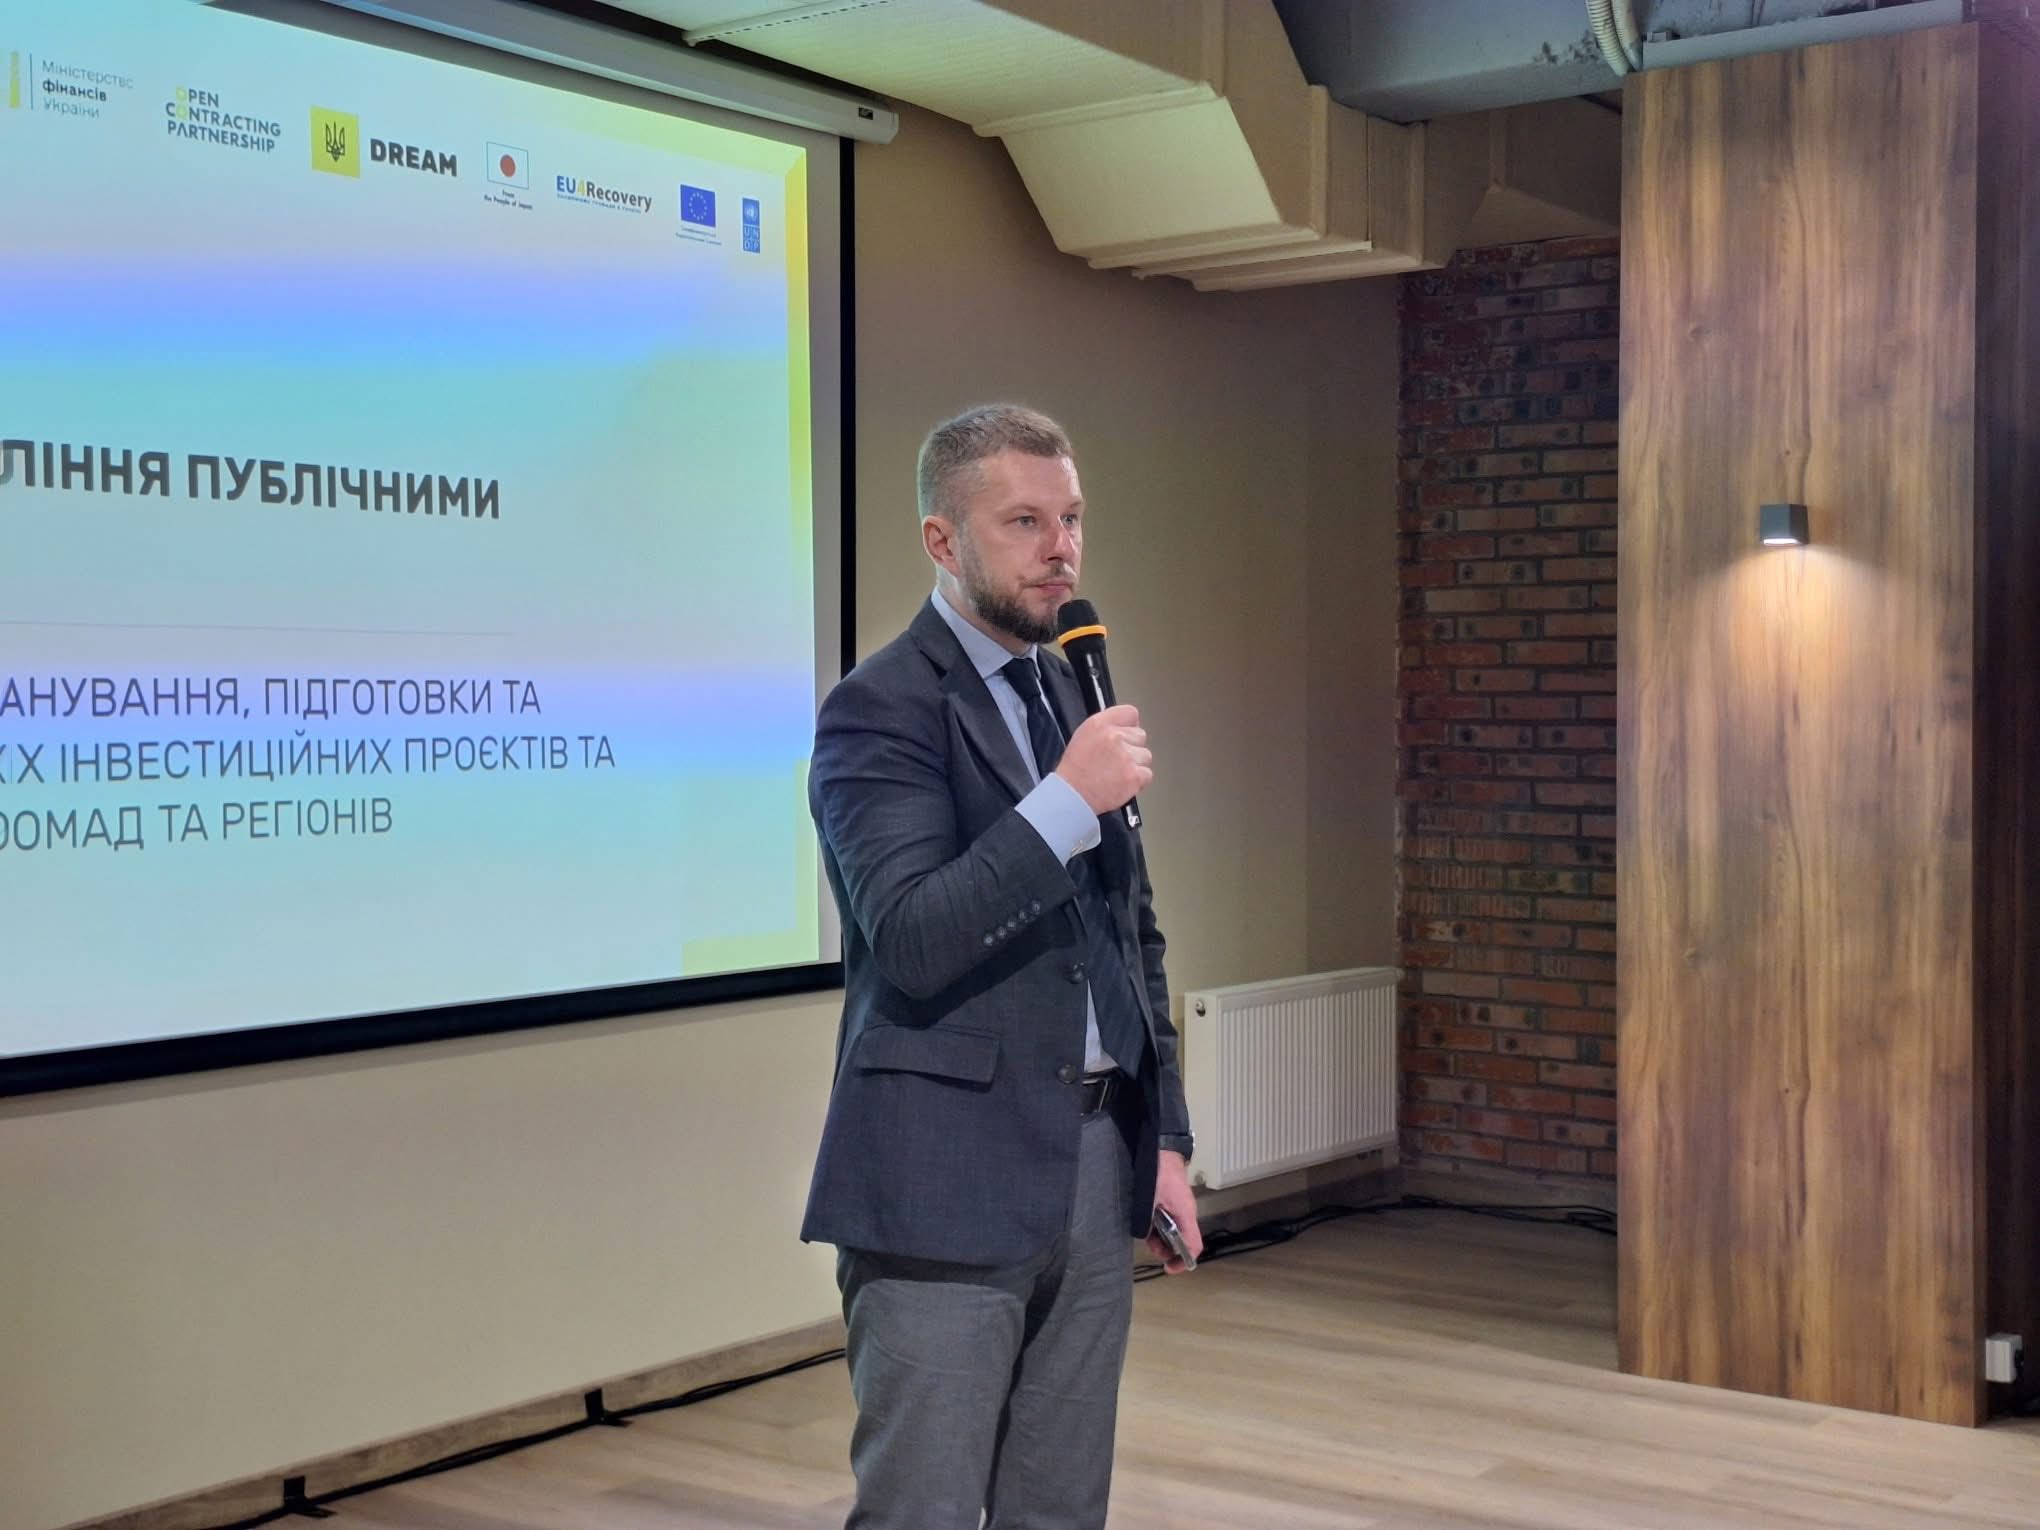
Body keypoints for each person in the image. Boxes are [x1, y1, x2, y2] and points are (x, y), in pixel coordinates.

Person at [801, 403, 1202, 1529]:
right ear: (942, 540)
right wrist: (1067, 800)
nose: (1059, 548)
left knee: (1059, 1507)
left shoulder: (1070, 686)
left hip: (1094, 1160)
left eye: (1070, 519)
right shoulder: (878, 709)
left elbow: (1131, 931)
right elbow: (914, 936)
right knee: (922, 1507)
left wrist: (1164, 1138)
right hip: (944, 1176)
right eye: (1023, 521)